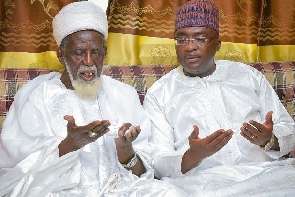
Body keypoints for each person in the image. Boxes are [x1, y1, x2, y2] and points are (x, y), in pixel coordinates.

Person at [0, 2, 187, 196]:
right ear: (61, 55)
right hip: (61, 190)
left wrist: (125, 150)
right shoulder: (38, 97)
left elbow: (142, 172)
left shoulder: (123, 94)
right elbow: (16, 171)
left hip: (119, 189)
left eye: (96, 52)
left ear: (105, 53)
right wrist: (68, 145)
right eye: (79, 53)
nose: (89, 62)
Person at [143, 0, 295, 196]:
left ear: (218, 44)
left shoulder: (248, 76)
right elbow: (157, 160)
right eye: (181, 39)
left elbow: (289, 130)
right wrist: (193, 155)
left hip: (266, 174)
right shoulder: (159, 93)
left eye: (199, 38)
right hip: (202, 184)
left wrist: (270, 139)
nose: (189, 47)